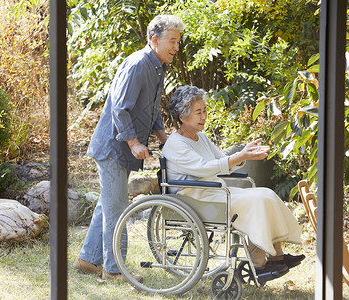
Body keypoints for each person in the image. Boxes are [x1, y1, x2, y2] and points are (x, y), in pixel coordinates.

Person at [73, 15, 185, 281]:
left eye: (178, 42)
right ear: (154, 40)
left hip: (120, 147)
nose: (176, 47)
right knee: (118, 208)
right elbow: (120, 108)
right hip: (113, 147)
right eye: (172, 41)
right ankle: (114, 270)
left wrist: (163, 135)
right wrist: (134, 142)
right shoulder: (138, 64)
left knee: (108, 205)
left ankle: (87, 260)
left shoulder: (158, 66)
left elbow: (151, 107)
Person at [162, 85, 305, 280]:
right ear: (182, 116)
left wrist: (245, 155)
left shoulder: (201, 137)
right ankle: (259, 264)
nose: (204, 116)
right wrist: (239, 156)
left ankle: (275, 257)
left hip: (213, 191)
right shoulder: (175, 144)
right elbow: (204, 167)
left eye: (204, 110)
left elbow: (222, 162)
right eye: (198, 112)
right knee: (257, 201)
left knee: (266, 194)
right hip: (195, 197)